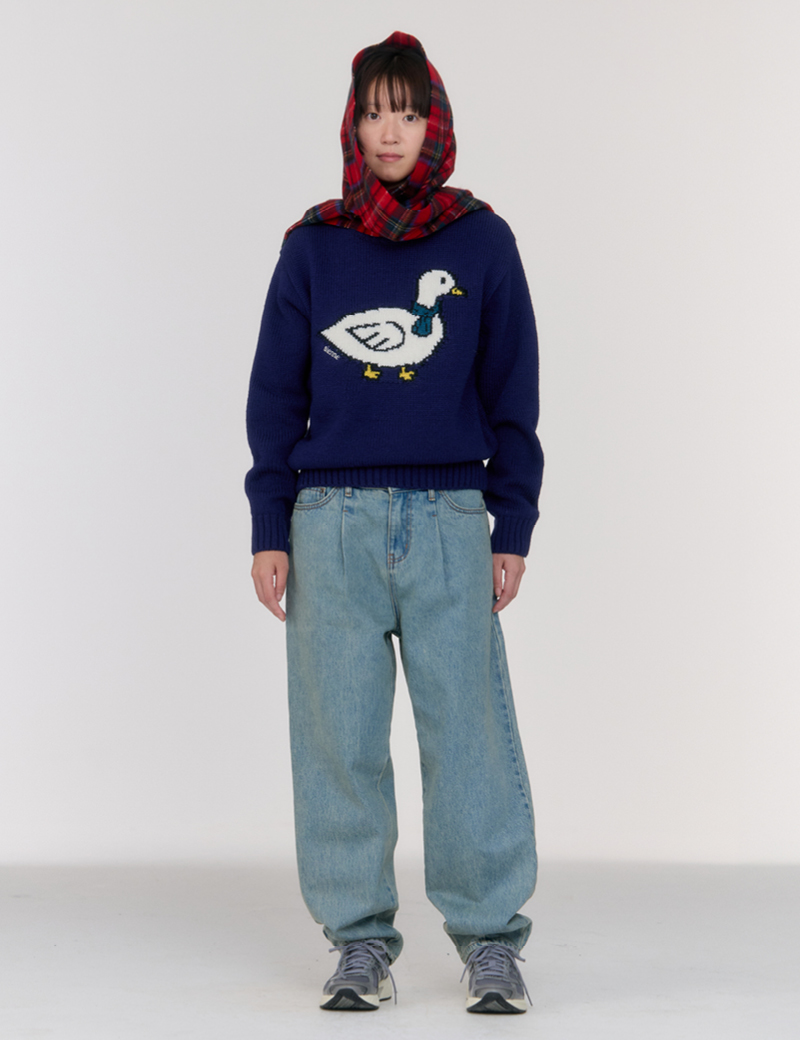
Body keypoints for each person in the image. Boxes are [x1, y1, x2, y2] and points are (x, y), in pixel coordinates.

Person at [245, 30, 544, 1014]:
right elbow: (274, 396)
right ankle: (358, 939)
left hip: (451, 518)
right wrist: (270, 523)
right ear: (352, 123)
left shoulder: (481, 242)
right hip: (328, 522)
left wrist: (510, 522)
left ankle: (490, 938)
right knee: (337, 736)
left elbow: (512, 392)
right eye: (374, 111)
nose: (389, 130)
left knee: (469, 733)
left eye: (407, 112)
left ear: (434, 123)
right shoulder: (312, 247)